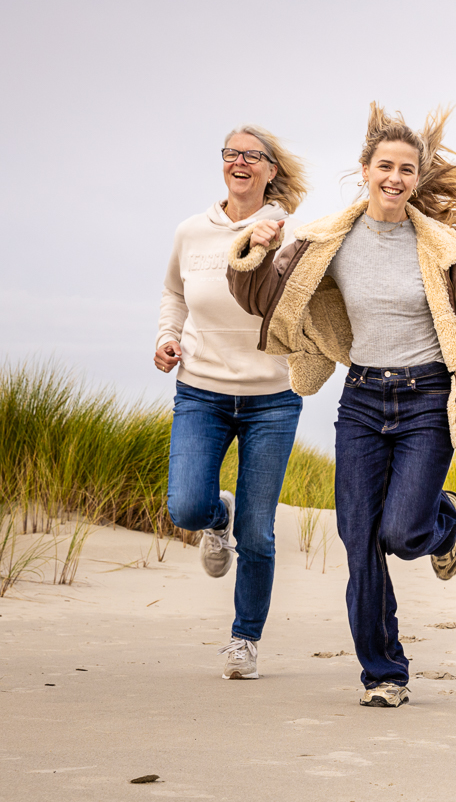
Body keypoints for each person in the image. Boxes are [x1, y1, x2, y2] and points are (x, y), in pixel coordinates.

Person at [228, 104, 456, 708]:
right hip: (362, 398)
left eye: (406, 170)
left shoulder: (444, 248)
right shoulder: (324, 240)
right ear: (364, 170)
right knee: (359, 539)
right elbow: (261, 298)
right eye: (384, 166)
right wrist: (254, 248)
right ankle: (384, 672)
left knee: (402, 531)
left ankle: (442, 523)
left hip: (424, 401)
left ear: (417, 179)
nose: (394, 177)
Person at [156, 125, 309, 680]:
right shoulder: (191, 232)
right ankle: (214, 519)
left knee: (259, 532)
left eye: (253, 156)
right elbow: (175, 293)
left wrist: (269, 250)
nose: (239, 162)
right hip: (201, 390)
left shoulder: (293, 234)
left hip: (272, 397)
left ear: (271, 170)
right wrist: (165, 338)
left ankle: (244, 640)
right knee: (187, 508)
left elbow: (308, 302)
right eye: (231, 154)